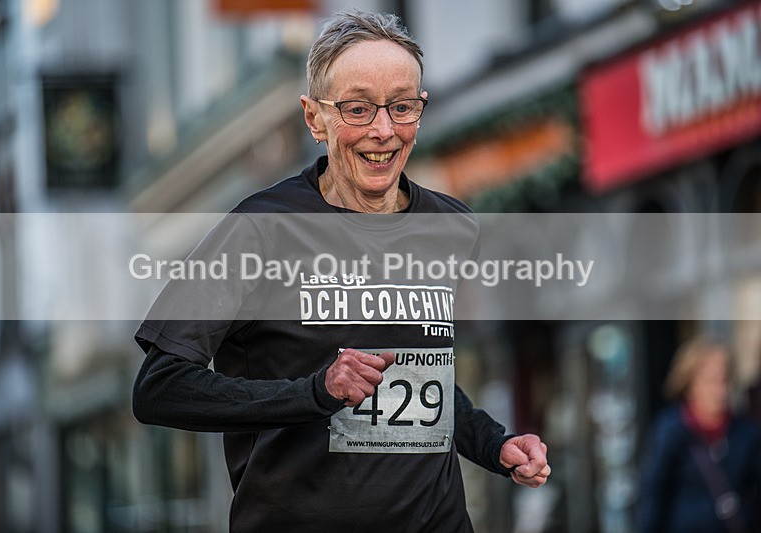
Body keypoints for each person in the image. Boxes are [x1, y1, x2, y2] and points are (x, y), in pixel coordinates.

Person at [132, 9, 550, 532]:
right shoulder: (259, 230)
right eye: (357, 109)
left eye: (402, 107)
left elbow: (422, 381)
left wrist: (494, 442)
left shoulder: (451, 226)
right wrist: (315, 392)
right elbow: (158, 388)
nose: (384, 131)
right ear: (315, 118)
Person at [637, 336, 761, 533]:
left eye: (724, 380)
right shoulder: (671, 431)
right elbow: (654, 497)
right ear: (690, 384)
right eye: (711, 381)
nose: (719, 391)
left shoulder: (746, 434)